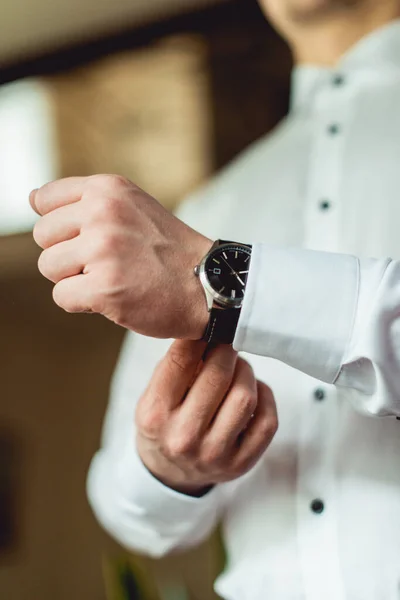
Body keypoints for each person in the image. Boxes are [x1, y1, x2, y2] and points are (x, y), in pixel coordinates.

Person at [30, 0, 400, 597]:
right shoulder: (205, 211)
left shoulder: (186, 249)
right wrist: (168, 468)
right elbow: (126, 509)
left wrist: (223, 280)